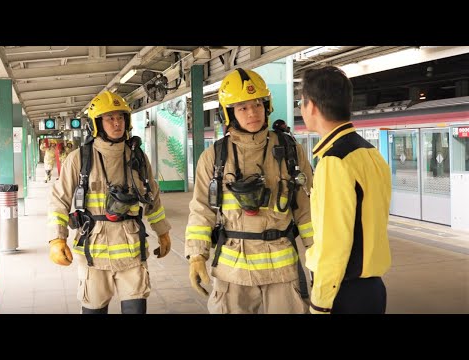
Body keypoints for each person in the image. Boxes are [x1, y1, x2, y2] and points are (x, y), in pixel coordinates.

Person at [185, 68, 314, 314]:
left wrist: (317, 252)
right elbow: (202, 210)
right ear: (229, 113)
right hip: (232, 271)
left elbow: (306, 209)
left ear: (267, 106)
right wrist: (196, 255)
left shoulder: (290, 151)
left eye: (257, 104)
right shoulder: (214, 157)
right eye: (242, 107)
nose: (252, 112)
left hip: (282, 270)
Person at [47, 90, 172, 314]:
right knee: (94, 309)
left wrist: (162, 232)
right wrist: (57, 239)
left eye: (120, 117)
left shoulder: (138, 157)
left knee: (136, 309)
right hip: (94, 253)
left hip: (132, 252)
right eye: (110, 118)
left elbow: (152, 197)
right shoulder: (79, 158)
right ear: (97, 124)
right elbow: (59, 200)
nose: (117, 123)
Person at [300, 66, 392, 314]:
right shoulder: (370, 153)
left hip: (343, 292)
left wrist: (320, 302)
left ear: (312, 107)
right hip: (372, 289)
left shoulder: (334, 161)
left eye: (302, 102)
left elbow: (334, 242)